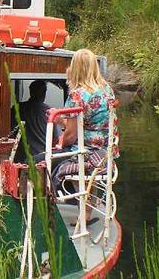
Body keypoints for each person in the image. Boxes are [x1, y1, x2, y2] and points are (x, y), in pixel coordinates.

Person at [51, 49, 118, 221]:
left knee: (40, 162)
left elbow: (71, 136)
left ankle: (45, 211)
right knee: (82, 167)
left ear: (76, 68)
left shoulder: (77, 95)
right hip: (105, 152)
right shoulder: (107, 91)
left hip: (86, 153)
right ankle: (86, 213)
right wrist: (62, 122)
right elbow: (88, 125)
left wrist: (59, 128)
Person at [13, 80, 62, 162]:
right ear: (44, 93)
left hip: (20, 157)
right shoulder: (50, 112)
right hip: (42, 157)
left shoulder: (16, 109)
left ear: (30, 91)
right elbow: (57, 139)